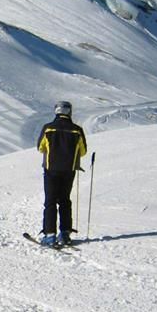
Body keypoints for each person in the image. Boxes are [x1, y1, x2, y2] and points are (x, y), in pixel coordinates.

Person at [36, 100, 88, 246]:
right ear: (69, 112)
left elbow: (40, 148)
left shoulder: (48, 128)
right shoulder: (77, 130)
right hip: (69, 170)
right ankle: (65, 234)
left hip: (51, 169)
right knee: (65, 200)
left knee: (50, 201)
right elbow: (83, 151)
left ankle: (50, 235)